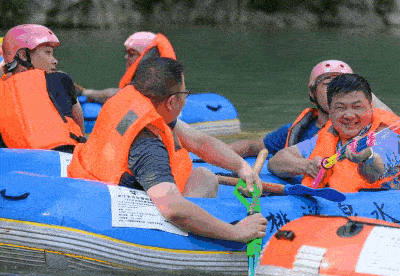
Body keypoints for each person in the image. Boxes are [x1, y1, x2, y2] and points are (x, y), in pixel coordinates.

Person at [68, 55, 266, 243]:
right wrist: (236, 231)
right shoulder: (149, 145)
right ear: (172, 101)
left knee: (203, 175)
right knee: (205, 178)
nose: (185, 99)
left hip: (92, 182)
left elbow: (199, 142)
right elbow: (172, 209)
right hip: (122, 205)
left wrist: (241, 166)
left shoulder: (133, 101)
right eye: (184, 93)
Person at [268, 73, 400, 193]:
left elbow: (374, 172)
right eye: (340, 108)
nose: (349, 115)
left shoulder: (386, 135)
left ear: (371, 108)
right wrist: (306, 166)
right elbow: (275, 162)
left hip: (381, 208)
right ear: (331, 112)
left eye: (357, 107)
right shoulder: (328, 136)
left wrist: (366, 157)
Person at [230, 60, 391, 158]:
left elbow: (396, 130)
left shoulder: (368, 129)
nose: (335, 92)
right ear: (312, 92)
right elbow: (252, 147)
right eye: (328, 84)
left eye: (342, 86)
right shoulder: (296, 130)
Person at [0, 24, 86, 152]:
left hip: (18, 161)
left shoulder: (3, 87)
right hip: (67, 155)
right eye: (48, 53)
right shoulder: (62, 79)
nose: (55, 60)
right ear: (23, 56)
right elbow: (80, 126)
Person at [77, 31, 157, 103]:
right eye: (127, 53)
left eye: (131, 54)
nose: (126, 57)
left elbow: (121, 94)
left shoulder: (153, 80)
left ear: (146, 56)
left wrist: (91, 93)